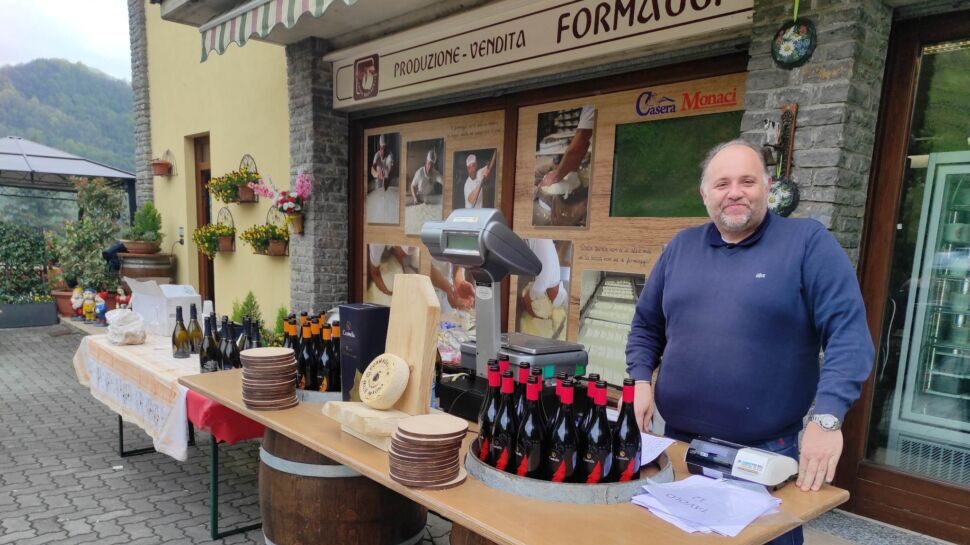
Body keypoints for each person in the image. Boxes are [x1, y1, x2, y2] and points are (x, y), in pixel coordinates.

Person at [625, 140, 873, 545]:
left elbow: (848, 332)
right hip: (680, 445)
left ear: (767, 187)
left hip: (765, 454)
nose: (735, 192)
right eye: (722, 183)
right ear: (705, 194)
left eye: (747, 181)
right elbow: (646, 326)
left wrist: (828, 418)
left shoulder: (807, 244)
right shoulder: (680, 248)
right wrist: (639, 380)